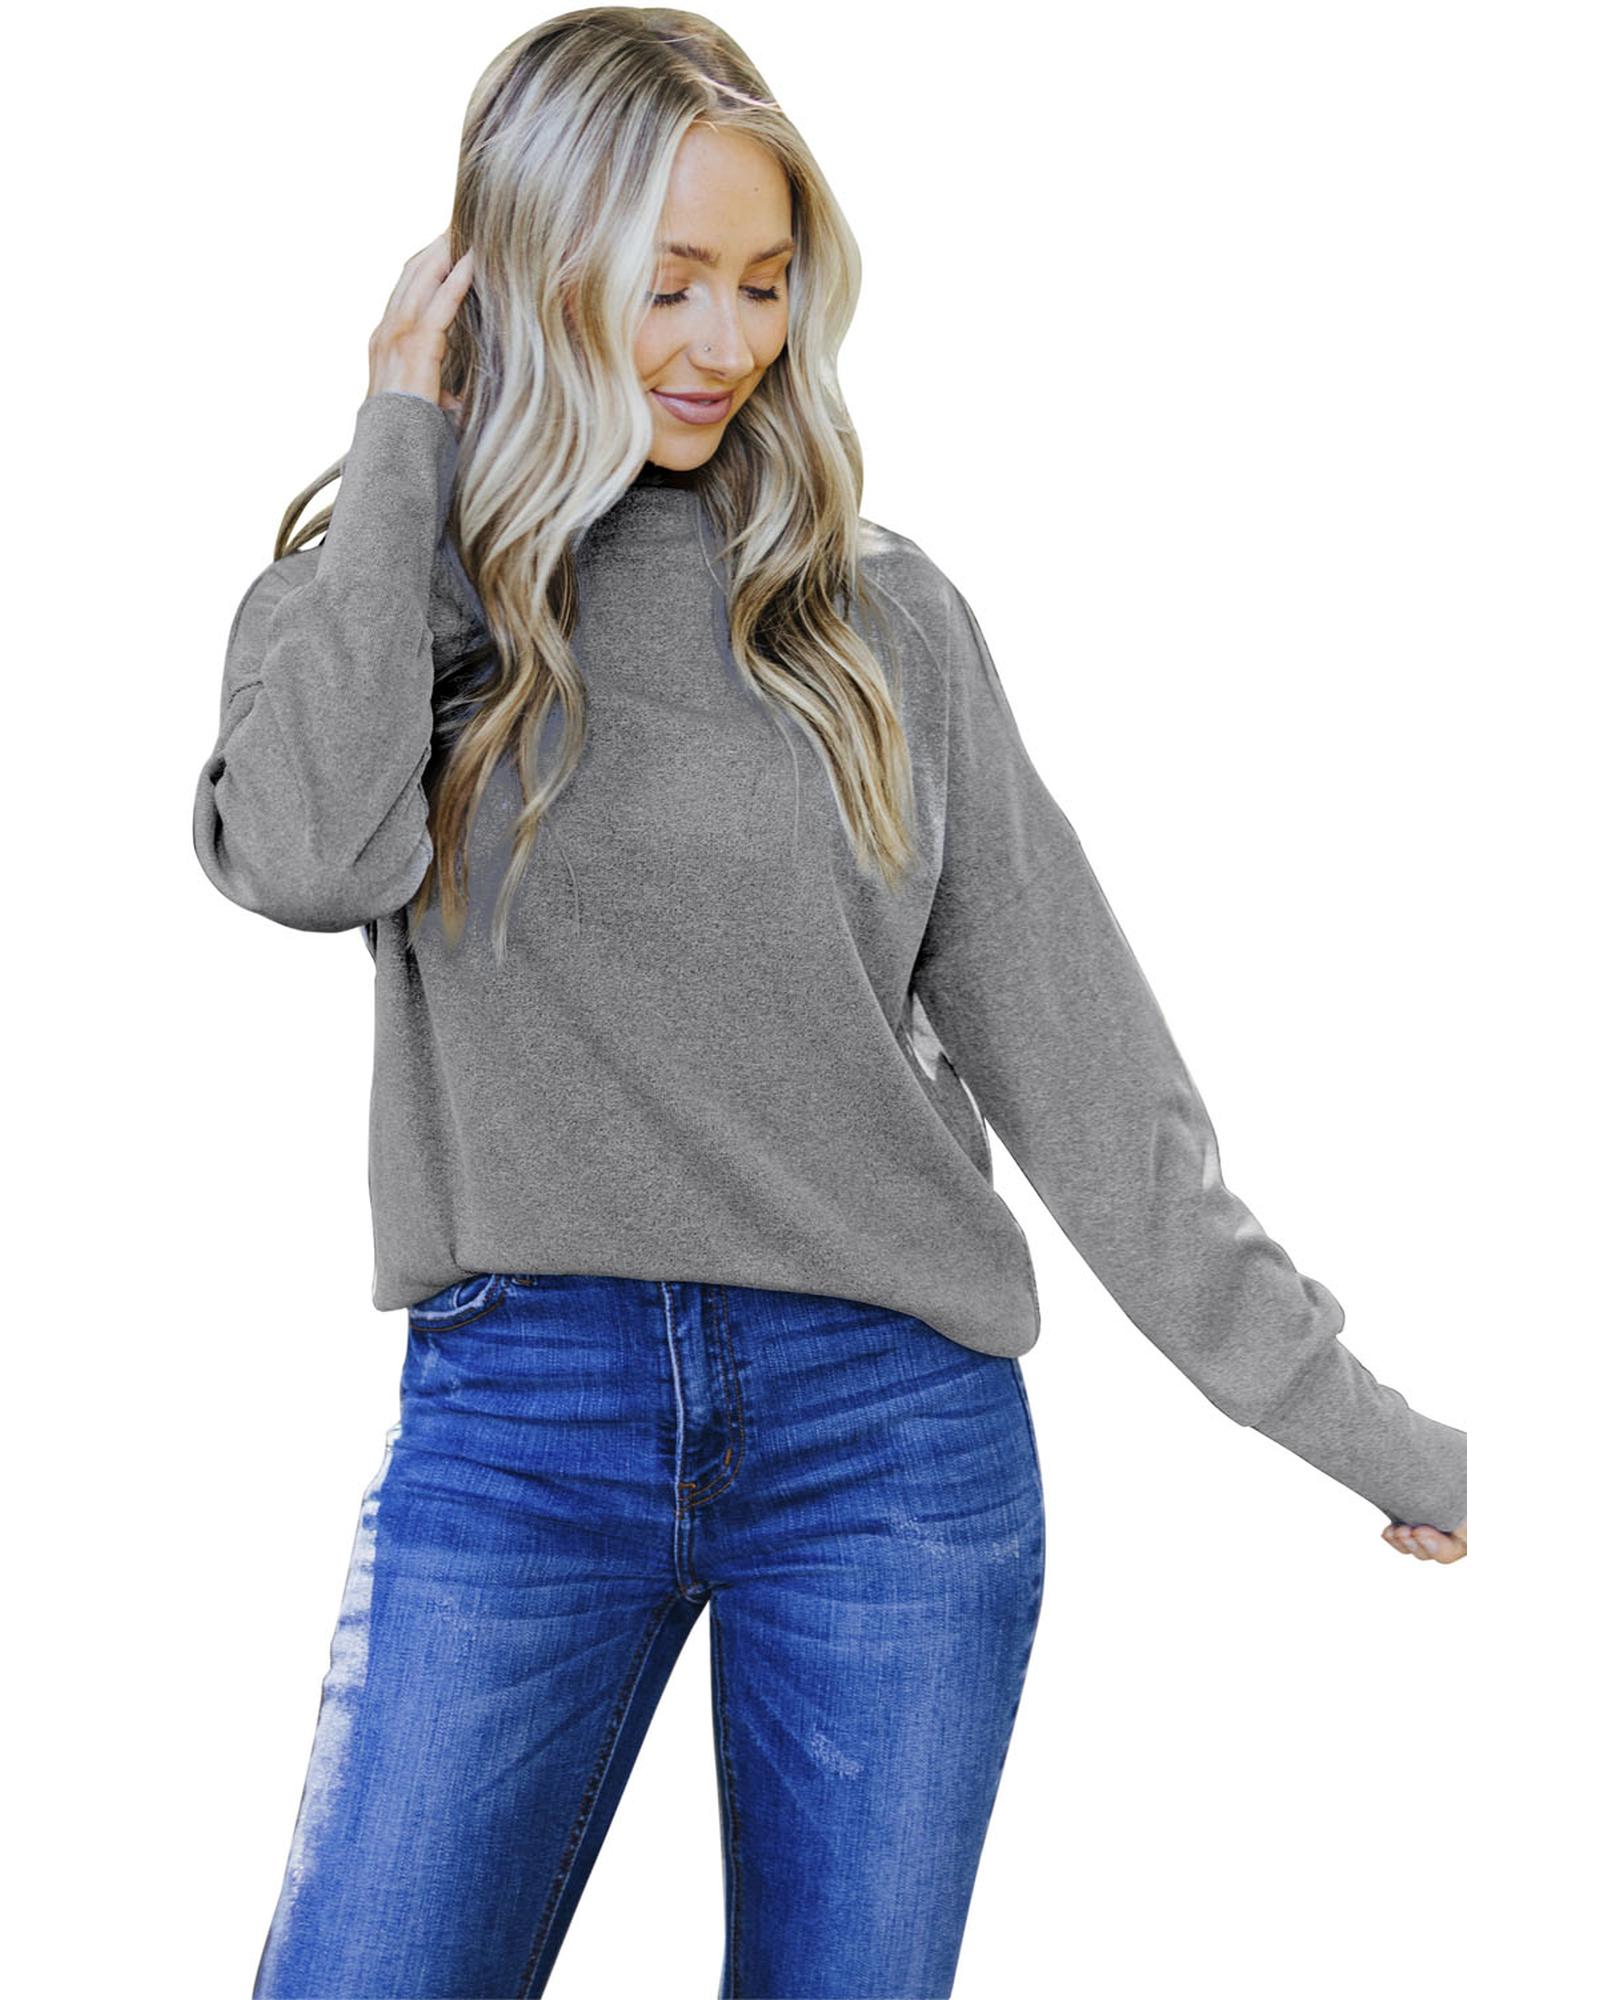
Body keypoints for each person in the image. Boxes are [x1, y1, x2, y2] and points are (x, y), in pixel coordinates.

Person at [191, 13, 1468, 1999]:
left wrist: (1382, 1434)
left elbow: (1090, 1076)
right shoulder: (388, 600)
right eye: (665, 282)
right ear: (519, 272)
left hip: (887, 1439)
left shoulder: (876, 625)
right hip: (522, 1422)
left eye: (765, 281)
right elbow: (296, 856)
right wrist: (400, 437)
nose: (725, 340)